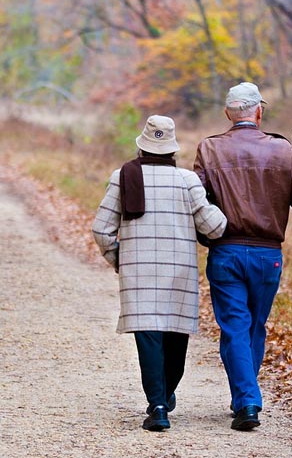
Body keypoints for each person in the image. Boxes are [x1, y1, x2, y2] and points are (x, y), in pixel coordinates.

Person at [193, 82, 292, 431]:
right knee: (253, 326)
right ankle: (247, 399)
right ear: (259, 112)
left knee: (235, 326)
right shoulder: (281, 151)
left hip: (226, 250)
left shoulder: (209, 149)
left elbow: (195, 198)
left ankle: (245, 399)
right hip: (267, 256)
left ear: (227, 114)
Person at [92, 115, 227, 432]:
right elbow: (215, 227)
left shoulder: (122, 177)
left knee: (148, 337)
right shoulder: (187, 181)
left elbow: (101, 230)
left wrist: (119, 259)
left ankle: (158, 405)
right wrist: (219, 206)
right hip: (179, 272)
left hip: (138, 275)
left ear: (141, 147)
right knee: (174, 338)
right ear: (172, 150)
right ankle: (164, 396)